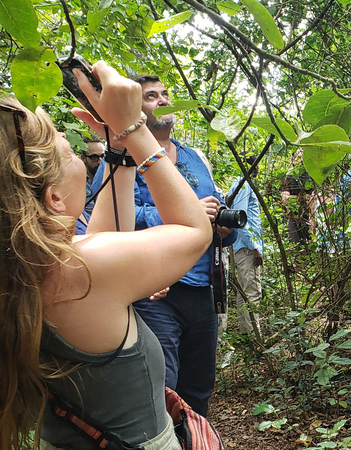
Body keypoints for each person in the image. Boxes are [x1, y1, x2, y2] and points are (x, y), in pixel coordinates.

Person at [0, 63, 211, 450]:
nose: (70, 138)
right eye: (67, 149)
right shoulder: (80, 271)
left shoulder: (31, 270)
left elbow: (103, 239)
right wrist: (135, 130)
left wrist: (119, 152)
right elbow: (195, 232)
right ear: (55, 198)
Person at [91, 74, 236, 416]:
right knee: (163, 383)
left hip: (201, 286)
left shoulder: (196, 157)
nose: (162, 99)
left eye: (165, 93)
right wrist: (180, 214)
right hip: (154, 290)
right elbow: (106, 215)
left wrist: (219, 229)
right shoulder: (121, 157)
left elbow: (210, 212)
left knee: (199, 385)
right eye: (151, 95)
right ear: (135, 111)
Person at [226, 156, 264, 334]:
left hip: (241, 247)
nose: (256, 169)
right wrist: (254, 247)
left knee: (244, 293)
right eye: (253, 165)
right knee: (252, 293)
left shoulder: (241, 185)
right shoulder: (244, 186)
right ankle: (255, 338)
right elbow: (240, 219)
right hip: (246, 248)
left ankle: (246, 334)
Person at [79, 135, 104, 216]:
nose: (100, 161)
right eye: (94, 157)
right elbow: (90, 211)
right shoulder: (80, 180)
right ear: (83, 158)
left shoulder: (109, 176)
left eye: (103, 157)